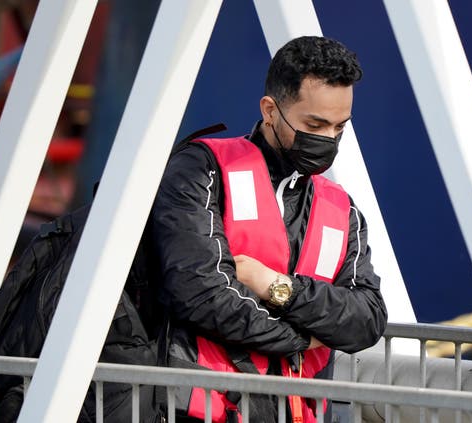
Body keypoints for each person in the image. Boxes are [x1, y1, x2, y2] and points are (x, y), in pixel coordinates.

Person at [145, 36, 388, 423]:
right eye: (315, 124)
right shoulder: (201, 170)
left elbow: (367, 319)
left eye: (340, 127)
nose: (328, 140)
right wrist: (306, 338)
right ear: (270, 110)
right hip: (193, 412)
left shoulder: (343, 210)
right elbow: (200, 292)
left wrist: (276, 287)